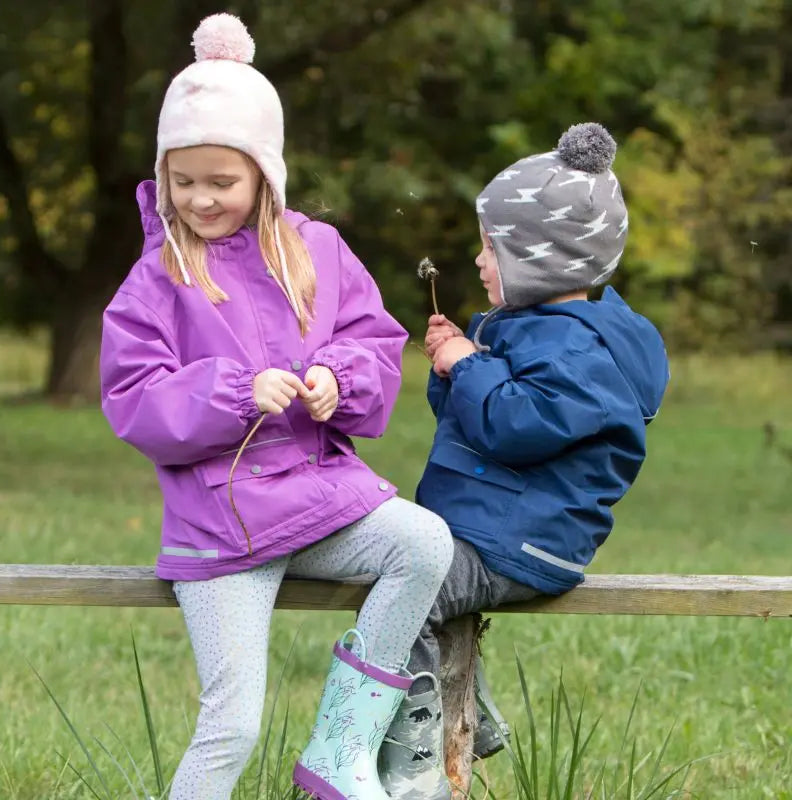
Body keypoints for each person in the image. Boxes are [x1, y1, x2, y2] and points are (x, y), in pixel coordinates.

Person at [99, 14, 453, 800]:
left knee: (424, 541)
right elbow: (133, 398)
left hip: (319, 501)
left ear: (264, 173)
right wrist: (233, 393)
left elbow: (373, 339)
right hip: (220, 530)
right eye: (182, 181)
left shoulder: (318, 250)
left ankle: (344, 742)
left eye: (220, 181)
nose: (199, 199)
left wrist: (338, 379)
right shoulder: (156, 279)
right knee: (232, 725)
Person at [376, 123, 670, 799]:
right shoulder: (535, 331)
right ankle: (469, 718)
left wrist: (468, 366)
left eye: (492, 247)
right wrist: (455, 365)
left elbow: (515, 425)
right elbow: (474, 423)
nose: (479, 260)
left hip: (523, 541)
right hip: (499, 529)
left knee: (408, 589)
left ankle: (412, 762)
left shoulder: (578, 351)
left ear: (545, 261)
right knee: (405, 564)